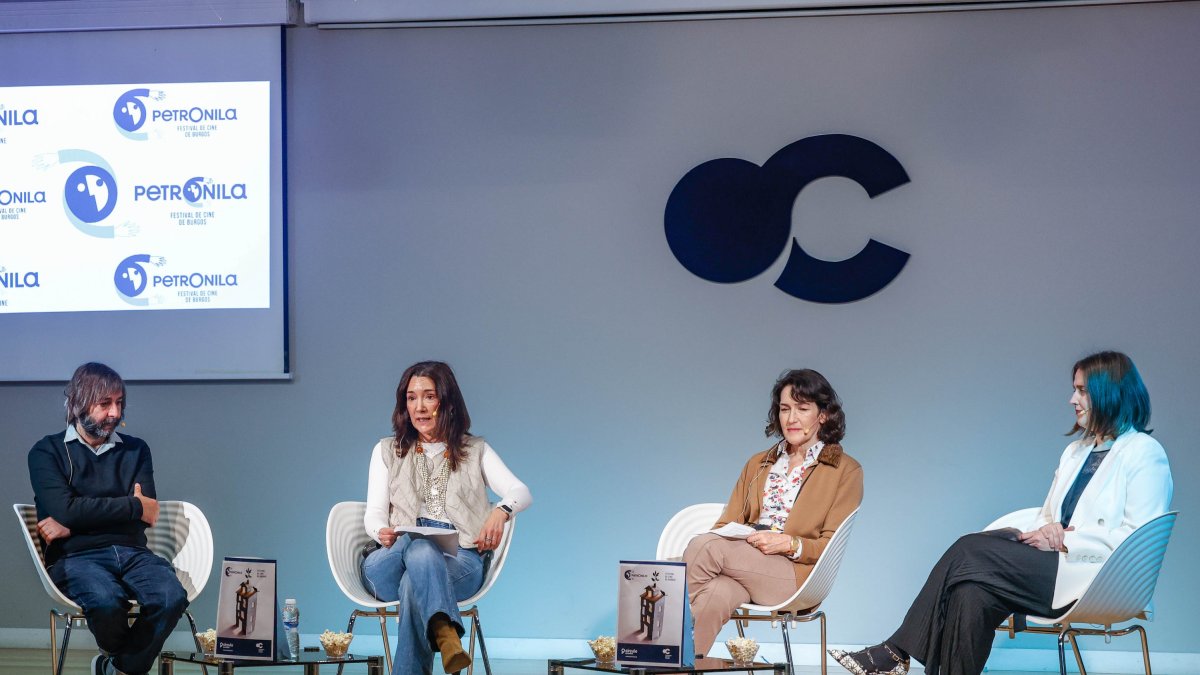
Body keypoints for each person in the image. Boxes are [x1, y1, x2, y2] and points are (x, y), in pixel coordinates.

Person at [830, 350, 1174, 675]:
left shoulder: (1144, 453)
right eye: (1074, 390)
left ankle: (895, 652)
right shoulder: (1075, 452)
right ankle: (898, 656)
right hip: (1055, 566)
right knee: (970, 593)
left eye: (1082, 391)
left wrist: (1067, 540)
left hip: (1097, 578)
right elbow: (1048, 513)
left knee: (968, 548)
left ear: (1110, 394)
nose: (1072, 400)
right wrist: (1046, 530)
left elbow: (1138, 539)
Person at [362, 361, 532, 675]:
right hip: (391, 557)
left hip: (458, 559)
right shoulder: (386, 450)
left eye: (429, 396)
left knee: (417, 577)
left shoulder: (475, 450)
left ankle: (440, 627)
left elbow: (520, 491)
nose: (419, 407)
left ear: (448, 402)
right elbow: (373, 513)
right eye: (411, 398)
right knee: (418, 547)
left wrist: (500, 511)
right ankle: (445, 631)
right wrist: (380, 530)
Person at [683, 369, 864, 658]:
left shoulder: (844, 470)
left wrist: (790, 543)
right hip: (746, 563)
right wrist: (740, 534)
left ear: (823, 415)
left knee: (702, 547)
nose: (791, 418)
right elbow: (727, 522)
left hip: (795, 576)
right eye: (784, 409)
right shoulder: (759, 463)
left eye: (803, 408)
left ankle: (654, 639)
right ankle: (674, 666)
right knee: (716, 594)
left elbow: (831, 546)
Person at [26, 363, 188, 675]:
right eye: (104, 404)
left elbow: (147, 515)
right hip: (76, 556)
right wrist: (131, 505)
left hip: (132, 552)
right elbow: (71, 509)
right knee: (105, 601)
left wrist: (71, 522)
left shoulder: (136, 450)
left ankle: (118, 667)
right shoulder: (47, 452)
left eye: (119, 403)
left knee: (171, 597)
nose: (114, 413)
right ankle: (124, 665)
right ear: (76, 402)